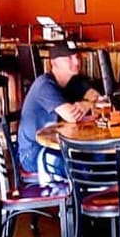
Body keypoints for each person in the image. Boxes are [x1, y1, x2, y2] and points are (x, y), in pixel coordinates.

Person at [17, 40, 100, 184]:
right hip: (35, 152)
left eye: (77, 56)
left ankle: (100, 199)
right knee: (84, 169)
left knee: (105, 159)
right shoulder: (44, 85)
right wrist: (88, 104)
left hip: (61, 145)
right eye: (69, 58)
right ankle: (79, 203)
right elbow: (71, 116)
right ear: (54, 63)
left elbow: (97, 97)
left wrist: (86, 104)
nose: (76, 61)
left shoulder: (73, 81)